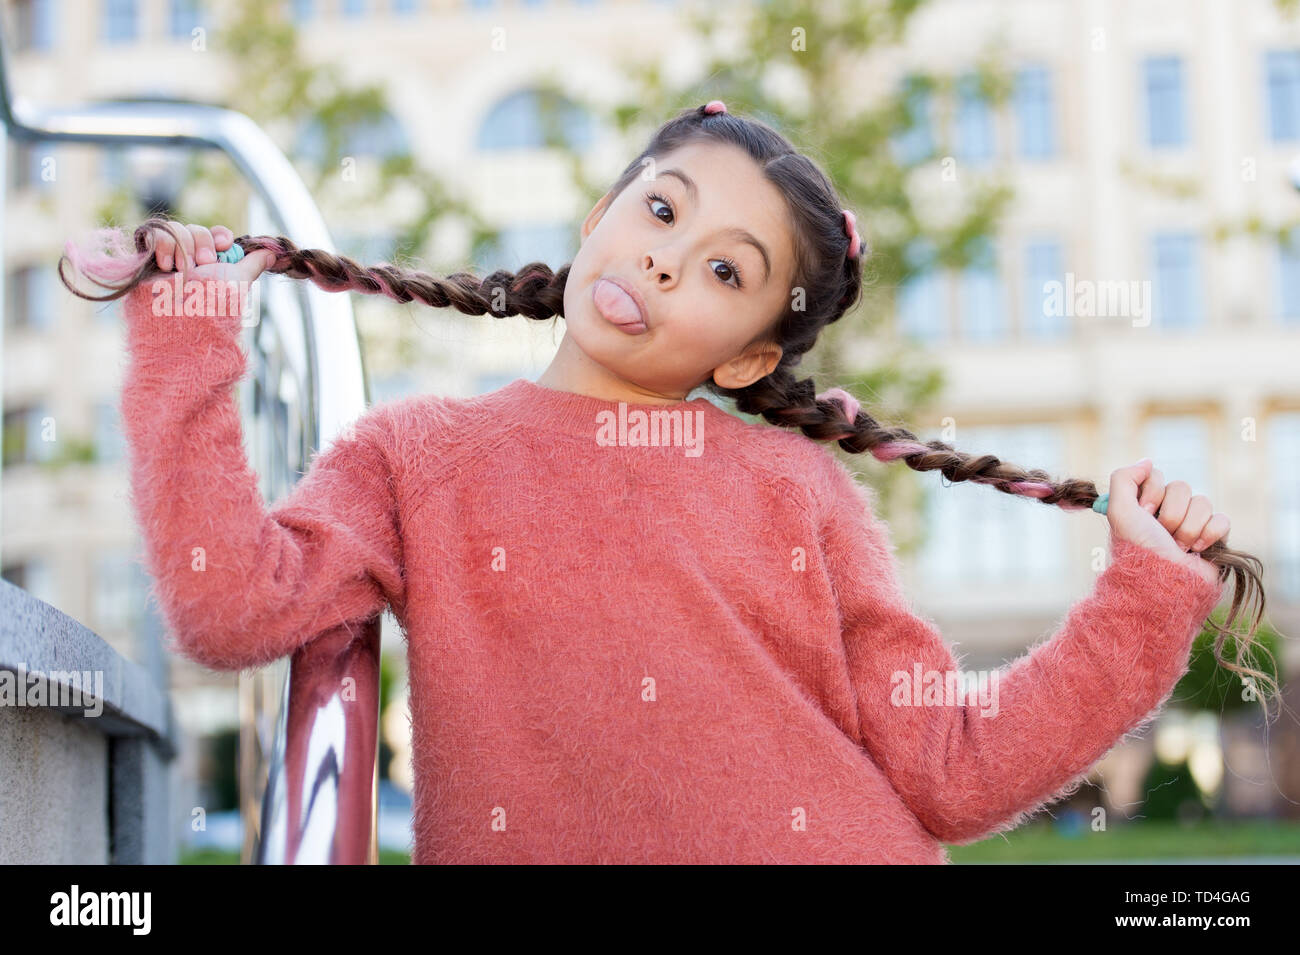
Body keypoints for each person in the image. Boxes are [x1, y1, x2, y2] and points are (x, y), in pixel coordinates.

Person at [61, 102, 1259, 864]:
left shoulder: (801, 493)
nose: (663, 257)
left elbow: (948, 769)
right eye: (661, 208)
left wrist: (1141, 597)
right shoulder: (414, 454)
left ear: (745, 355)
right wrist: (188, 337)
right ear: (600, 213)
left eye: (723, 269)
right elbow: (230, 606)